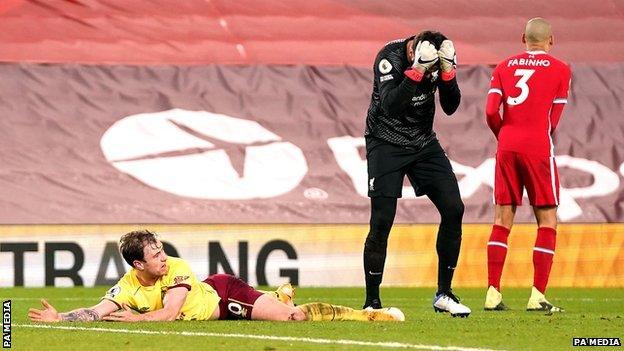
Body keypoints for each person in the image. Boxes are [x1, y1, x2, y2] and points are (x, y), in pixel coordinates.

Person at [28, 230, 404, 323]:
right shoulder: (128, 286)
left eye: (161, 249)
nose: (163, 255)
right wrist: (61, 317)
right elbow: (99, 309)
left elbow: (170, 314)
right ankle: (281, 295)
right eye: (154, 254)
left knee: (294, 318)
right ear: (136, 265)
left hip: (223, 295)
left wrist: (140, 318)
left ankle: (372, 314)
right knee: (283, 310)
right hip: (216, 305)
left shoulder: (175, 268)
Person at [362, 30, 470, 317]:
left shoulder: (436, 62)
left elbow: (450, 106)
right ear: (414, 51)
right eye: (429, 63)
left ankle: (444, 294)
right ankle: (372, 301)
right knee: (382, 220)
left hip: (423, 142)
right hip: (385, 141)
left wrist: (447, 72)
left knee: (454, 208)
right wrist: (418, 68)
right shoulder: (390, 57)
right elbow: (390, 105)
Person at [484, 17, 571, 312]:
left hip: (506, 146)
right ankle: (537, 296)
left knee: (501, 219)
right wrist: (533, 136)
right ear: (551, 40)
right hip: (537, 147)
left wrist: (504, 135)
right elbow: (554, 120)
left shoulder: (503, 67)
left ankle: (493, 293)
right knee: (547, 220)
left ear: (523, 38)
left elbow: (490, 111)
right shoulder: (561, 69)